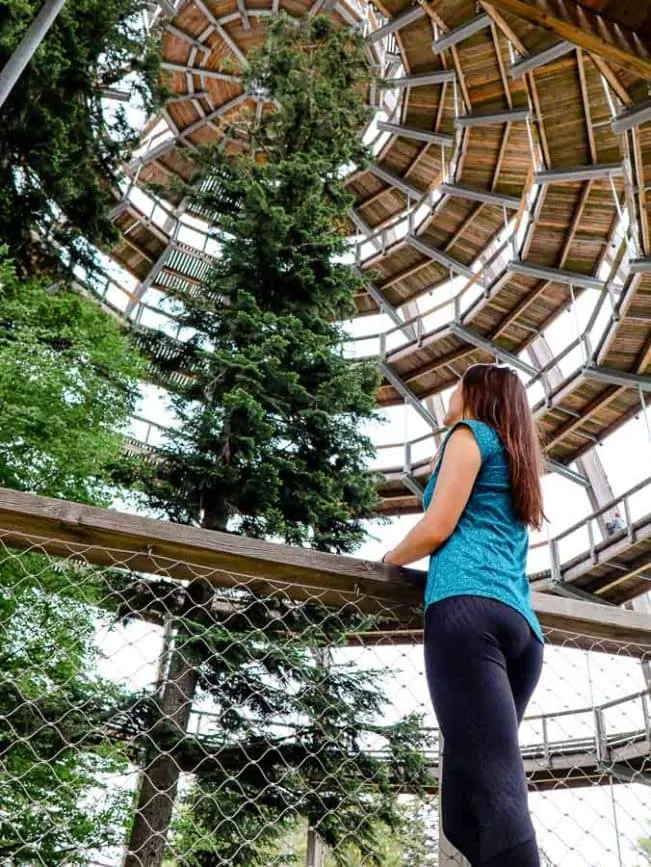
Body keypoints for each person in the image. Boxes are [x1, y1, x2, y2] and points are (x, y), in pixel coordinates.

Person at [381, 363, 546, 867]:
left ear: (475, 394)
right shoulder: (516, 457)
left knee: (498, 801)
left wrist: (386, 563)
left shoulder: (469, 433)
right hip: (521, 633)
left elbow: (437, 525)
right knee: (461, 811)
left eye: (457, 386)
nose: (450, 395)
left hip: (466, 617)